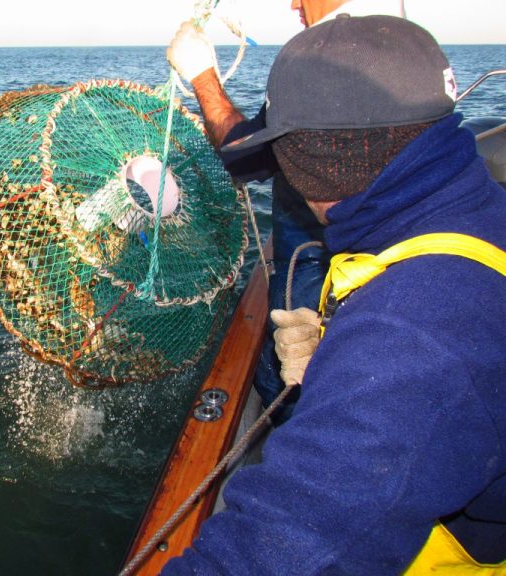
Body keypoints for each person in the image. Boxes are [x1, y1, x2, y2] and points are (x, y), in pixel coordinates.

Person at [162, 15, 506, 574]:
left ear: (310, 163)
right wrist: (336, 346)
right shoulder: (477, 208)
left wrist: (360, 367)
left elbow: (279, 553)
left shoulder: (409, 341)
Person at [168, 0, 406, 424]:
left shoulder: (317, 58)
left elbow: (249, 157)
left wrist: (202, 75)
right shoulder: (406, 47)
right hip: (392, 263)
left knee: (288, 387)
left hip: (322, 266)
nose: (294, 3)